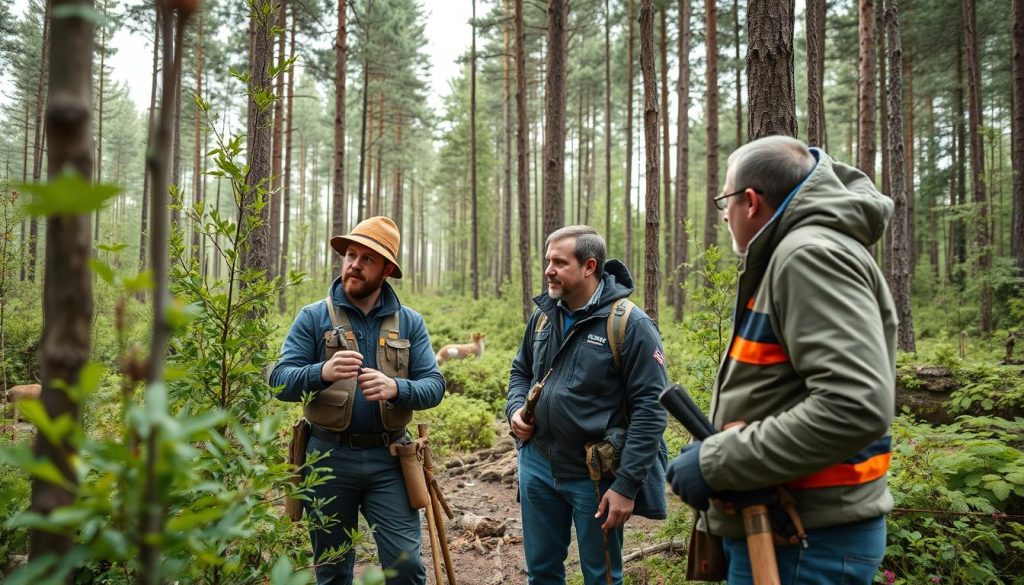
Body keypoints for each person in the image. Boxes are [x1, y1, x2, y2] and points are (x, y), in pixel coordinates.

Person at [667, 135, 897, 584]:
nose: (725, 214)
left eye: (724, 202)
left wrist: (717, 462)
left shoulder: (808, 256)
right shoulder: (796, 254)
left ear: (750, 201)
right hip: (789, 535)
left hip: (805, 545)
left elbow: (855, 405)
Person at [270, 216, 445, 585]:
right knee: (331, 571)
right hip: (327, 458)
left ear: (386, 269)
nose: (354, 263)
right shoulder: (314, 317)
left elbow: (435, 385)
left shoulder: (410, 323)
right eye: (351, 254)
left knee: (407, 566)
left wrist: (399, 389)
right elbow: (279, 381)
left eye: (368, 258)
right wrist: (322, 372)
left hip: (391, 460)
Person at [507, 225, 669, 585]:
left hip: (594, 475)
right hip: (537, 464)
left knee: (602, 577)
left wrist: (626, 485)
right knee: (542, 573)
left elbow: (651, 409)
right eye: (548, 260)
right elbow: (520, 371)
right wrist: (515, 410)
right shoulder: (543, 316)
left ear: (589, 266)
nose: (549, 269)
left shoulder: (629, 323)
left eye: (559, 262)